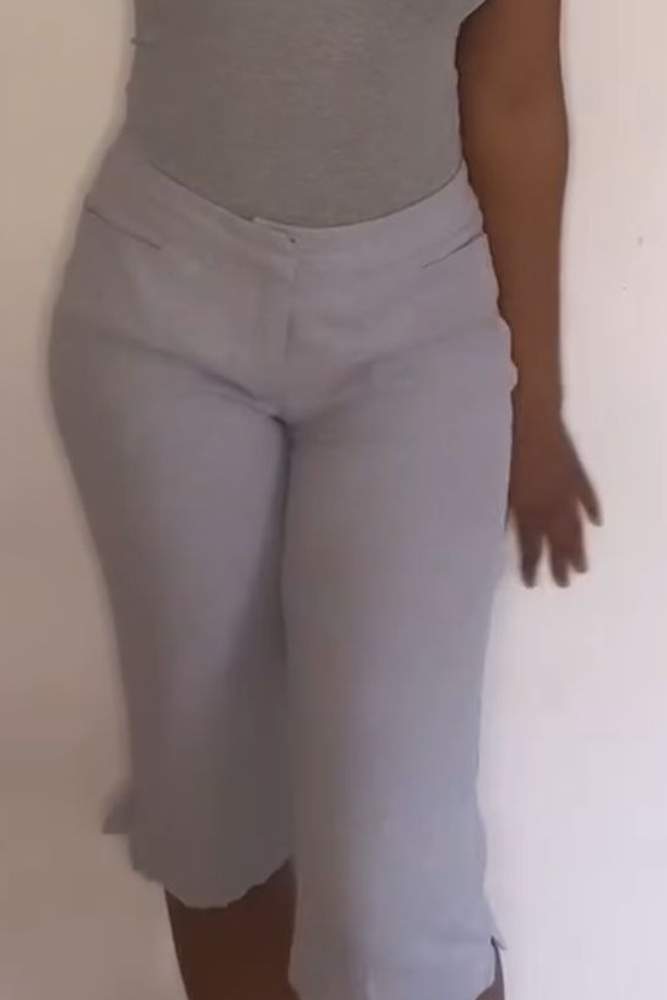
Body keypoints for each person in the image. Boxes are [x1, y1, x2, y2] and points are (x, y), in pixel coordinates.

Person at [47, 1, 601, 998]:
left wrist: (537, 407)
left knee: (404, 904)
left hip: (415, 337)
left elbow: (514, 94)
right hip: (159, 313)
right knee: (211, 818)